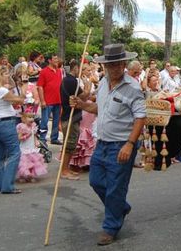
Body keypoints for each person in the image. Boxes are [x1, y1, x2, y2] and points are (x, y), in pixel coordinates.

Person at [71, 43, 146, 246]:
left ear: (123, 64)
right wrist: (81, 105)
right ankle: (120, 207)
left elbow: (140, 117)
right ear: (105, 66)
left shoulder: (133, 88)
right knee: (95, 181)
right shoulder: (104, 83)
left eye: (117, 64)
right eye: (109, 65)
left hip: (121, 144)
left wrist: (130, 144)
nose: (113, 68)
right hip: (102, 143)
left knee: (115, 188)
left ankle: (110, 227)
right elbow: (98, 108)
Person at [0, 64, 25, 194]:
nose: (7, 76)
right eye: (5, 74)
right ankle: (8, 185)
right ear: (0, 76)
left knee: (0, 154)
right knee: (15, 153)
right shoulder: (2, 91)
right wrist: (23, 88)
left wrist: (13, 82)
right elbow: (19, 100)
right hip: (6, 123)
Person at [59, 59, 91, 180]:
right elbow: (82, 96)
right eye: (81, 68)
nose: (81, 71)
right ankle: (64, 170)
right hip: (70, 117)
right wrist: (88, 87)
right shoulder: (70, 80)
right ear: (76, 68)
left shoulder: (70, 80)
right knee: (69, 144)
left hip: (72, 116)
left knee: (71, 144)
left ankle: (66, 168)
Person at [37, 54, 63, 145]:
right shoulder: (44, 71)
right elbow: (40, 86)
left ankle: (54, 138)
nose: (57, 60)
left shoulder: (59, 71)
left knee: (56, 120)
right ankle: (42, 138)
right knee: (45, 120)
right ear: (49, 60)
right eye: (55, 59)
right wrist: (42, 100)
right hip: (48, 101)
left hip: (58, 100)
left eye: (57, 59)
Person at [16, 113, 47, 182]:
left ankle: (31, 175)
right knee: (24, 163)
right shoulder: (22, 127)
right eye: (29, 117)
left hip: (31, 147)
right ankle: (22, 176)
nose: (31, 119)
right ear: (23, 119)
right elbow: (19, 138)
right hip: (24, 148)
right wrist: (26, 136)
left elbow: (35, 135)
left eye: (32, 117)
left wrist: (36, 142)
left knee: (32, 161)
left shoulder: (33, 126)